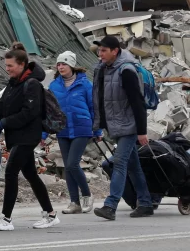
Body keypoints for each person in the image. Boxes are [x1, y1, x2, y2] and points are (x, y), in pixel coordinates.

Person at [0, 43, 60, 231]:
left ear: (22, 64)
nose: (7, 69)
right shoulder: (13, 83)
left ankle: (6, 218)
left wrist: (5, 122)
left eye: (10, 66)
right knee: (30, 174)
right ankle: (50, 214)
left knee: (10, 172)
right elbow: (1, 106)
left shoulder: (31, 84)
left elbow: (29, 113)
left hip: (28, 135)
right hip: (16, 136)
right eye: (6, 65)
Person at [92, 36, 154, 220]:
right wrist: (99, 125)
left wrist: (142, 131)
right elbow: (100, 99)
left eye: (104, 50)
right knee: (134, 166)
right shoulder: (103, 69)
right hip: (115, 125)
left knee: (119, 162)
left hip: (129, 125)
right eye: (99, 50)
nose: (100, 54)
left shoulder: (126, 71)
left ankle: (110, 205)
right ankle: (145, 203)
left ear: (115, 51)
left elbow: (137, 103)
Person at [44, 51, 100, 214]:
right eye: (59, 64)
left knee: (72, 164)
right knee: (68, 168)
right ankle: (74, 202)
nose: (60, 67)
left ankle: (87, 196)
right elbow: (49, 112)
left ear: (72, 66)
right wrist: (44, 134)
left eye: (64, 64)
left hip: (82, 127)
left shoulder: (85, 84)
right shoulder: (54, 86)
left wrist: (97, 129)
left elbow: (94, 108)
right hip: (63, 129)